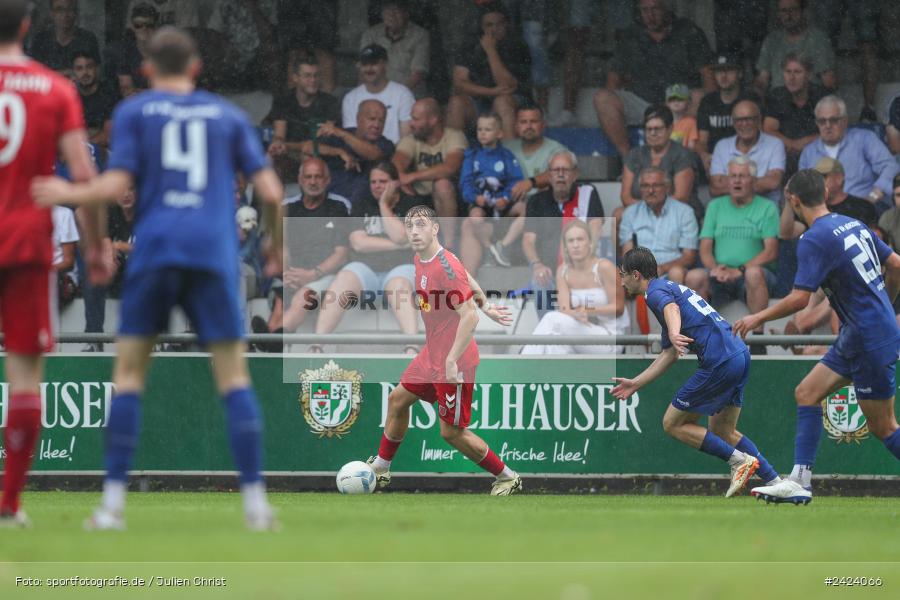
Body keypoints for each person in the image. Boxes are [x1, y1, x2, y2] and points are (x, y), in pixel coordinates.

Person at [31, 27, 284, 530]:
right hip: (212, 255)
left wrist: (97, 242)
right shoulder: (228, 115)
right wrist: (273, 245)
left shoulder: (134, 112)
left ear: (147, 70)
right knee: (233, 377)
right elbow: (272, 191)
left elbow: (112, 185)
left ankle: (112, 506)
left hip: (156, 251)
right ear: (195, 68)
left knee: (128, 379)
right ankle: (255, 504)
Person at [734, 170, 900, 504]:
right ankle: (800, 481)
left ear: (792, 199)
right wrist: (887, 302)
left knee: (885, 427)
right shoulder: (853, 223)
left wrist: (756, 317)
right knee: (806, 392)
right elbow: (895, 265)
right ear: (824, 191)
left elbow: (799, 298)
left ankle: (800, 481)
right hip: (862, 332)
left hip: (868, 336)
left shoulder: (813, 238)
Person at [0, 0, 105, 527]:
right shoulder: (55, 89)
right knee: (24, 373)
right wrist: (97, 247)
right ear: (27, 27)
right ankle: (9, 505)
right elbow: (84, 177)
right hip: (23, 242)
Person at [366, 204, 522, 496]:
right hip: (432, 353)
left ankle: (507, 476)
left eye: (421, 225)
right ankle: (382, 468)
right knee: (397, 400)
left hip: (455, 359)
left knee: (450, 432)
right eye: (410, 225)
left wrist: (451, 360)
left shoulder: (443, 266)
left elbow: (469, 316)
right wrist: (486, 304)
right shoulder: (423, 257)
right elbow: (465, 274)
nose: (414, 231)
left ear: (435, 229)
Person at [612, 246, 781, 498]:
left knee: (672, 423)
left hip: (719, 361)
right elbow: (669, 354)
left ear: (636, 275)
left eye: (622, 274)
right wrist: (636, 383)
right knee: (723, 430)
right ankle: (776, 481)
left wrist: (673, 330)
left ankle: (738, 460)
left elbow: (672, 310)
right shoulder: (669, 288)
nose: (621, 281)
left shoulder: (656, 292)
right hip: (739, 354)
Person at [313, 162, 419, 353]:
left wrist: (383, 206)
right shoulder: (361, 203)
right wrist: (400, 245)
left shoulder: (411, 205)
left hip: (402, 267)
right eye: (373, 182)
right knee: (342, 280)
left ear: (395, 183)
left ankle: (412, 347)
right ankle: (317, 346)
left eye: (383, 181)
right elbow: (359, 244)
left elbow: (402, 235)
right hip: (367, 268)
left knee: (398, 286)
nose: (377, 186)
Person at [592, 0, 714, 157]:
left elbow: (707, 72)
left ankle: (678, 156)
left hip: (679, 103)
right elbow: (614, 76)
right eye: (645, 10)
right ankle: (629, 159)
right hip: (641, 102)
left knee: (701, 97)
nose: (650, 15)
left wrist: (714, 104)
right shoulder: (631, 34)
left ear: (666, 7)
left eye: (655, 9)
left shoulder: (688, 30)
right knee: (602, 98)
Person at [686, 157, 779, 352]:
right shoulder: (715, 206)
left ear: (753, 181)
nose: (737, 181)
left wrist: (740, 270)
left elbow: (771, 251)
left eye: (742, 176)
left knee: (753, 273)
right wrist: (714, 269)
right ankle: (700, 340)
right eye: (733, 176)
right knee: (694, 276)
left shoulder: (767, 207)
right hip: (721, 275)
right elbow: (705, 248)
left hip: (751, 276)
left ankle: (758, 342)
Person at [258, 158, 349, 342]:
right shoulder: (288, 208)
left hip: (327, 276)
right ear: (300, 179)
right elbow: (278, 248)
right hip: (294, 274)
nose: (313, 182)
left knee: (303, 295)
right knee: (279, 299)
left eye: (318, 177)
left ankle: (270, 340)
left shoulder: (339, 207)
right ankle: (271, 341)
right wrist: (289, 274)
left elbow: (341, 255)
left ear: (327, 180)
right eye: (308, 177)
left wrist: (311, 275)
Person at [522, 220, 628, 355]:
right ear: (565, 246)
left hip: (610, 337)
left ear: (590, 243)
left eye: (580, 239)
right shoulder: (563, 270)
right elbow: (564, 308)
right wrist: (576, 314)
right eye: (571, 241)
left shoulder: (605, 267)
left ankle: (521, 366)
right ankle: (550, 375)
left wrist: (587, 311)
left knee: (551, 319)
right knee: (555, 343)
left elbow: (618, 308)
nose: (576, 245)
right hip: (581, 332)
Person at [523, 151, 604, 316]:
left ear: (575, 174)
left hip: (581, 271)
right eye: (555, 170)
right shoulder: (536, 201)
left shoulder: (587, 194)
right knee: (539, 283)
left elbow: (595, 230)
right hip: (549, 273)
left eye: (565, 170)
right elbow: (528, 241)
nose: (560, 175)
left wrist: (583, 265)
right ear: (549, 175)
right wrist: (537, 265)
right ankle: (551, 337)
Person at [799, 96, 898, 213]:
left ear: (845, 121)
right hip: (826, 215)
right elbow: (803, 190)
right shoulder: (808, 153)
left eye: (833, 120)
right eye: (822, 121)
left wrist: (873, 197)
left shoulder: (865, 139)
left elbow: (891, 166)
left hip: (863, 211)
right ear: (817, 123)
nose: (827, 125)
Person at [392, 97, 466, 248]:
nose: (411, 124)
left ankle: (449, 246)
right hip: (421, 200)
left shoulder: (454, 136)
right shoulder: (411, 140)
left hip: (452, 202)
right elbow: (396, 164)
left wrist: (412, 177)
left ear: (433, 120)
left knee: (442, 184)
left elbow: (450, 167)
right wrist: (403, 181)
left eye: (416, 119)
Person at [459, 112, 524, 272]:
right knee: (474, 217)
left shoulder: (506, 156)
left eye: (487, 129)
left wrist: (507, 197)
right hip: (482, 205)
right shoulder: (471, 156)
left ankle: (503, 246)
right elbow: (465, 182)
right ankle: (489, 248)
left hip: (503, 205)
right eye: (479, 129)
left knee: (524, 208)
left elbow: (516, 180)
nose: (482, 133)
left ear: (499, 133)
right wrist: (475, 197)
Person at [266, 51, 341, 182]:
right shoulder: (283, 100)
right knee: (268, 158)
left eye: (316, 75)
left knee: (309, 157)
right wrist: (277, 143)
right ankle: (264, 203)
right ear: (295, 78)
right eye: (307, 76)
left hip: (319, 154)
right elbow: (280, 135)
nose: (312, 80)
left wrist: (287, 146)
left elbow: (317, 144)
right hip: (290, 154)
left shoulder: (330, 103)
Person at [619, 168, 698, 285]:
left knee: (676, 272)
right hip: (640, 271)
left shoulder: (684, 212)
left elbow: (689, 256)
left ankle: (671, 304)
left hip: (671, 269)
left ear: (667, 187)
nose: (650, 190)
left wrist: (663, 268)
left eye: (656, 185)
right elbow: (627, 252)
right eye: (645, 186)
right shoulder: (630, 213)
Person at [620, 105, 696, 219]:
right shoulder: (634, 155)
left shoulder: (683, 155)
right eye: (648, 129)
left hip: (674, 213)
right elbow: (625, 197)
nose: (653, 133)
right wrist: (647, 212)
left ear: (670, 129)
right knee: (618, 214)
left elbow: (681, 197)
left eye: (658, 129)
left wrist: (653, 211)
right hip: (640, 212)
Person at [317, 99, 394, 205]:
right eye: (372, 119)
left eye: (381, 121)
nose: (376, 125)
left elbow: (373, 154)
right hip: (330, 204)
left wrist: (342, 134)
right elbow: (308, 147)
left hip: (361, 208)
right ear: (358, 119)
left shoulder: (386, 144)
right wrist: (338, 151)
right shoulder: (337, 136)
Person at [696, 52, 761, 175]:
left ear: (740, 73)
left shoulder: (750, 99)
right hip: (716, 161)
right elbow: (702, 141)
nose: (723, 76)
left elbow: (760, 136)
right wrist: (704, 155)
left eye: (729, 70)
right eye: (719, 71)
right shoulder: (708, 101)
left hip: (747, 160)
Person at [709, 99, 785, 205]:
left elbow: (773, 183)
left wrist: (731, 182)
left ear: (759, 120)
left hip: (765, 210)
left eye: (749, 119)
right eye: (739, 120)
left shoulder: (775, 144)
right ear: (733, 123)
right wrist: (756, 183)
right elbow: (715, 187)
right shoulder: (722, 146)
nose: (744, 124)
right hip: (730, 210)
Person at [763, 52, 827, 175]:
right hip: (784, 156)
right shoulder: (777, 95)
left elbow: (832, 131)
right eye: (788, 72)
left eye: (797, 72)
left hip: (817, 156)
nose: (791, 77)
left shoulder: (821, 96)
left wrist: (806, 144)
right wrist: (794, 144)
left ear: (808, 75)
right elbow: (768, 130)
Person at [753, 0, 836, 95]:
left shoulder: (818, 38)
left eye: (793, 9)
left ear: (804, 11)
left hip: (810, 99)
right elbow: (763, 79)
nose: (788, 15)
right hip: (779, 100)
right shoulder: (772, 39)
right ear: (778, 14)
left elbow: (829, 81)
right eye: (783, 11)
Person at [342, 44, 414, 144]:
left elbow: (407, 139)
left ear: (385, 64)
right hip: (360, 154)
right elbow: (351, 137)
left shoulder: (403, 94)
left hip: (395, 155)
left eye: (374, 63)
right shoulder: (350, 98)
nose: (369, 68)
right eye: (364, 64)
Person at [360, 0, 430, 96]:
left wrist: (395, 95)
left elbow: (418, 74)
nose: (391, 15)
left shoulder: (420, 35)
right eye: (387, 11)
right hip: (375, 93)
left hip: (408, 93)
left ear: (406, 14)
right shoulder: (371, 34)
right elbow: (363, 70)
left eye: (396, 11)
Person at [506, 104, 566, 202]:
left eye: (533, 121)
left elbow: (561, 173)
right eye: (523, 122)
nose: (528, 126)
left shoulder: (557, 149)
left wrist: (531, 182)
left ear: (543, 125)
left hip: (540, 208)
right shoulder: (506, 148)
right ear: (516, 126)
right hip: (509, 205)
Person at [27, 0, 99, 75]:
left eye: (70, 9)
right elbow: (32, 74)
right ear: (52, 14)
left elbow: (95, 74)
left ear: (76, 12)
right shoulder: (40, 41)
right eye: (60, 9)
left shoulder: (87, 39)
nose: (65, 14)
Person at [110, 2, 159, 98]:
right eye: (138, 25)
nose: (144, 29)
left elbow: (169, 92)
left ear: (156, 26)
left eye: (149, 25)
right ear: (132, 27)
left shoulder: (165, 53)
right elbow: (127, 92)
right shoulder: (125, 53)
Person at [72, 50, 119, 147]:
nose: (85, 72)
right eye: (79, 68)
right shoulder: (69, 95)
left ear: (97, 69)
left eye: (89, 67)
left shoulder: (109, 93)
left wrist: (82, 147)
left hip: (102, 152)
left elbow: (108, 135)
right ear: (73, 73)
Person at [665, 83, 698, 150]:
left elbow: (691, 146)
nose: (676, 102)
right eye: (672, 99)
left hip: (683, 158)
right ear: (667, 103)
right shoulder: (663, 122)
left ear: (688, 103)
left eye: (680, 99)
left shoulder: (691, 122)